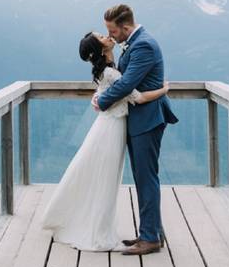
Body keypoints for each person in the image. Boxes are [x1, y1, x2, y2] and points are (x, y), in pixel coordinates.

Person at [39, 29, 170, 251]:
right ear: (100, 48)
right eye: (102, 37)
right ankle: (100, 230)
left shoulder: (107, 70)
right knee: (106, 179)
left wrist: (99, 98)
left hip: (110, 125)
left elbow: (106, 92)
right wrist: (163, 89)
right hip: (113, 128)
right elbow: (136, 97)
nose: (107, 36)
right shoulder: (110, 72)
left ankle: (125, 228)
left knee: (101, 175)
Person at [92, 4, 179, 255]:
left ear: (126, 27)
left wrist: (101, 102)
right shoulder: (136, 42)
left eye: (112, 30)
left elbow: (128, 82)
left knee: (146, 178)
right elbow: (125, 78)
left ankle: (150, 238)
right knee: (144, 178)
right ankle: (152, 232)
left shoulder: (143, 45)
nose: (111, 35)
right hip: (141, 118)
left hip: (148, 120)